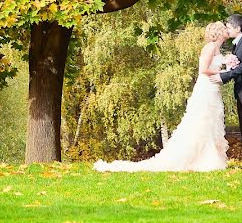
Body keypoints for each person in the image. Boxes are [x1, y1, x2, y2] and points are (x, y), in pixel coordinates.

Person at [93, 22, 231, 172]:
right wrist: (222, 72)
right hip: (206, 86)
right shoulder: (210, 47)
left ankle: (208, 157)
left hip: (213, 87)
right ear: (218, 32)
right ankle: (202, 159)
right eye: (224, 28)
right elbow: (203, 69)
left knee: (212, 120)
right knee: (203, 120)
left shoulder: (218, 48)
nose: (226, 30)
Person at [207, 14, 242, 168]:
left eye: (229, 27)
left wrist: (223, 77)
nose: (227, 30)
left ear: (238, 28)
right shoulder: (237, 44)